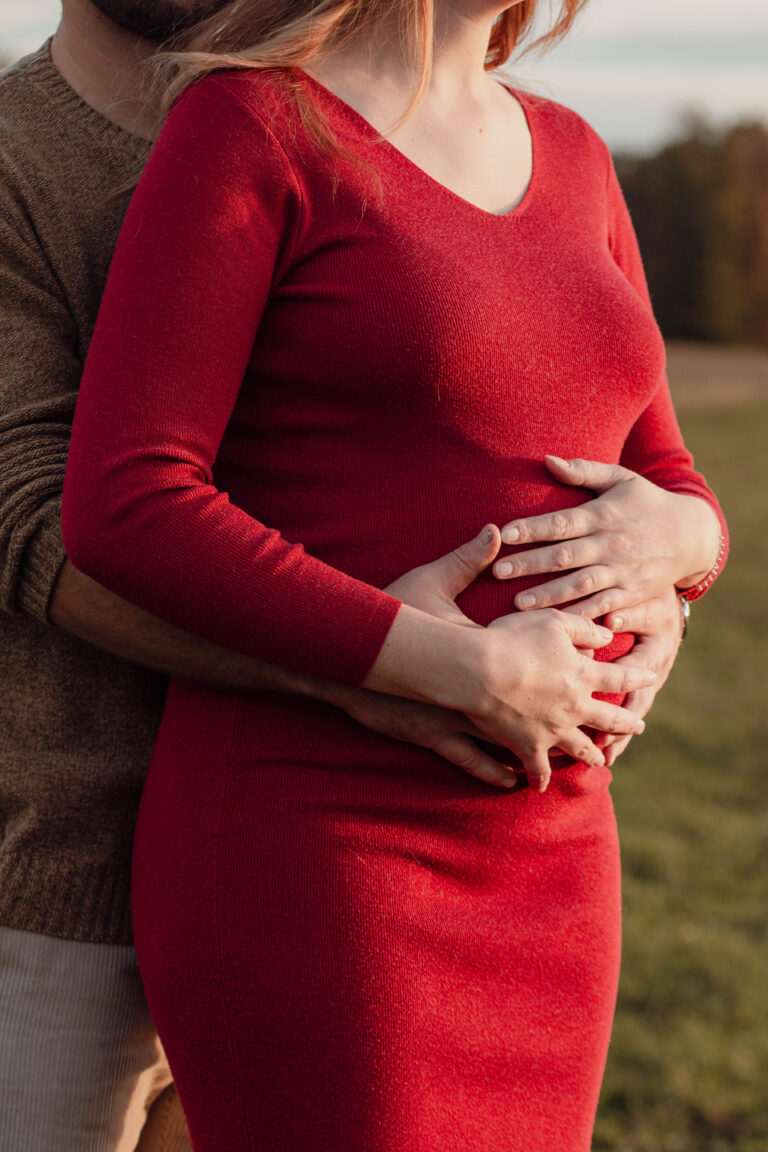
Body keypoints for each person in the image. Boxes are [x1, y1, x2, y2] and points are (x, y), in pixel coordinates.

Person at [60, 0, 728, 1146]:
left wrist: (690, 550)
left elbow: (662, 467)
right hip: (329, 850)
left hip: (558, 845)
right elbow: (128, 501)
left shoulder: (573, 150)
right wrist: (441, 663)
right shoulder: (252, 126)